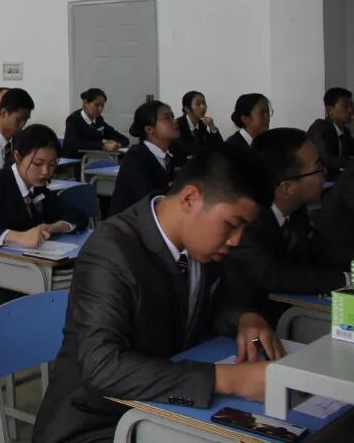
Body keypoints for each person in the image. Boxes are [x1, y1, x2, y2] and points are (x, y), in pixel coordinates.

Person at [33, 145, 284, 443]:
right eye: (232, 224)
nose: (236, 240)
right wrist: (229, 379)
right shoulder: (111, 250)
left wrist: (244, 318)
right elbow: (102, 367)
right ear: (190, 199)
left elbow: (203, 309)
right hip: (96, 424)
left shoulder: (201, 245)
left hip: (161, 410)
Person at [221, 128, 349, 326]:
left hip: (285, 315)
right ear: (287, 187)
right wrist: (345, 279)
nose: (324, 173)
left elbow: (318, 249)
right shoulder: (247, 221)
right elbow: (273, 275)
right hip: (246, 324)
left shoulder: (295, 208)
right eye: (318, 168)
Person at [0, 125, 87, 311]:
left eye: (52, 164)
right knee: (52, 310)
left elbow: (78, 215)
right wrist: (17, 236)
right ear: (17, 157)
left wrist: (55, 226)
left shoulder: (37, 187)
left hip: (27, 271)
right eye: (38, 164)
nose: (45, 172)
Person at [109, 100, 180, 217]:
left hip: (154, 219)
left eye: (172, 116)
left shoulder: (168, 155)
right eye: (167, 118)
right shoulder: (135, 157)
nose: (175, 121)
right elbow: (148, 200)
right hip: (129, 224)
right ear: (149, 129)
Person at [62, 88, 129, 158]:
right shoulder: (73, 119)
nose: (100, 109)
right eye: (97, 105)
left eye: (102, 105)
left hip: (92, 158)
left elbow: (123, 138)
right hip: (73, 160)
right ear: (85, 103)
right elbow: (74, 144)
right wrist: (103, 145)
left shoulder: (99, 120)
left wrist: (117, 144)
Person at [307, 87, 354, 181]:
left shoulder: (345, 131)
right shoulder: (319, 128)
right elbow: (329, 160)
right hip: (320, 182)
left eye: (351, 105)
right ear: (330, 110)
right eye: (345, 106)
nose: (350, 110)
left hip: (337, 180)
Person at [175, 90, 223, 160]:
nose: (203, 107)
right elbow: (189, 150)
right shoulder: (178, 124)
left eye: (204, 103)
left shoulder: (202, 124)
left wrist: (212, 126)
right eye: (198, 104)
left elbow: (219, 146)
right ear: (187, 108)